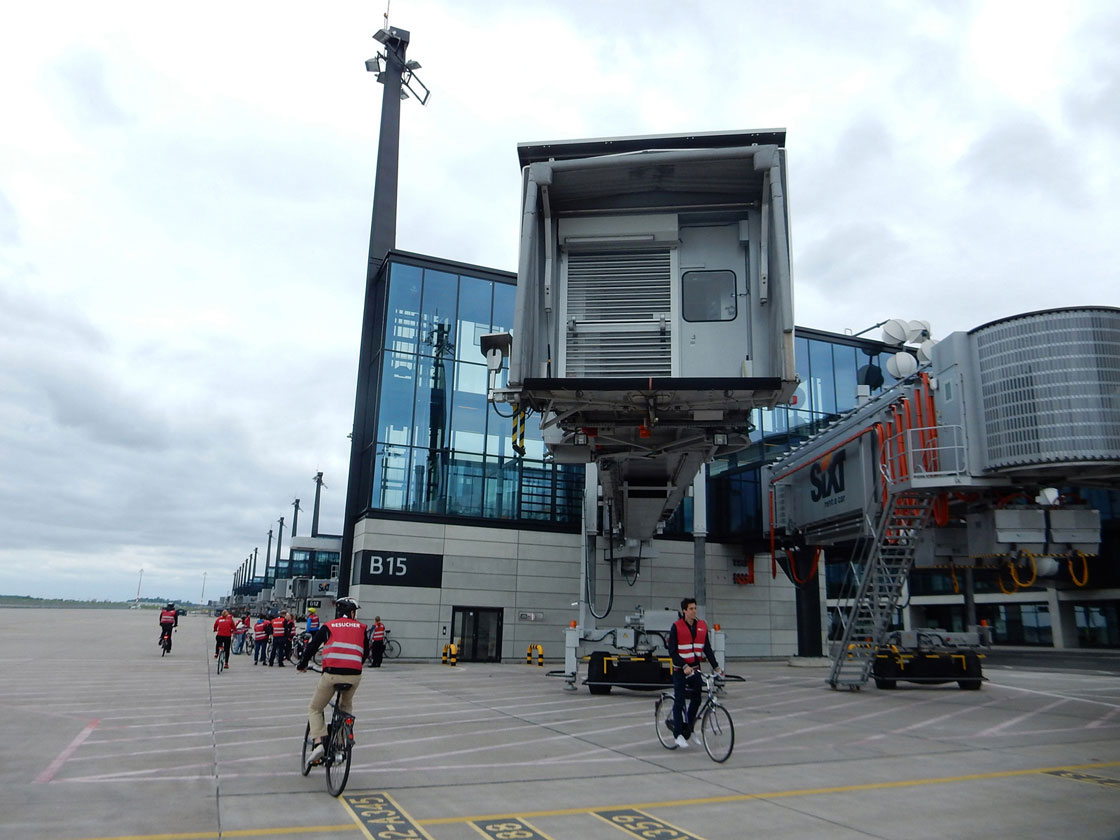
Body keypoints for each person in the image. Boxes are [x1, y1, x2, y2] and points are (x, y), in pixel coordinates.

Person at [297, 597, 368, 768]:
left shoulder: (329, 626)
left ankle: (319, 743)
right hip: (354, 675)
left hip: (331, 675)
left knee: (315, 708)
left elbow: (313, 646)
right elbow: (365, 652)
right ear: (352, 612)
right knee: (345, 707)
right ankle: (341, 743)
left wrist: (302, 663)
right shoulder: (362, 628)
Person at [667, 597, 722, 748]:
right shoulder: (676, 627)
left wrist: (716, 667)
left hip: (695, 670)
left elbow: (707, 649)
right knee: (680, 700)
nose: (694, 611)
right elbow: (672, 651)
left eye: (695, 608)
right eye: (691, 609)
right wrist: (684, 665)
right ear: (684, 611)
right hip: (680, 669)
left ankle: (689, 729)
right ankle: (678, 734)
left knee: (697, 699)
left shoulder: (702, 626)